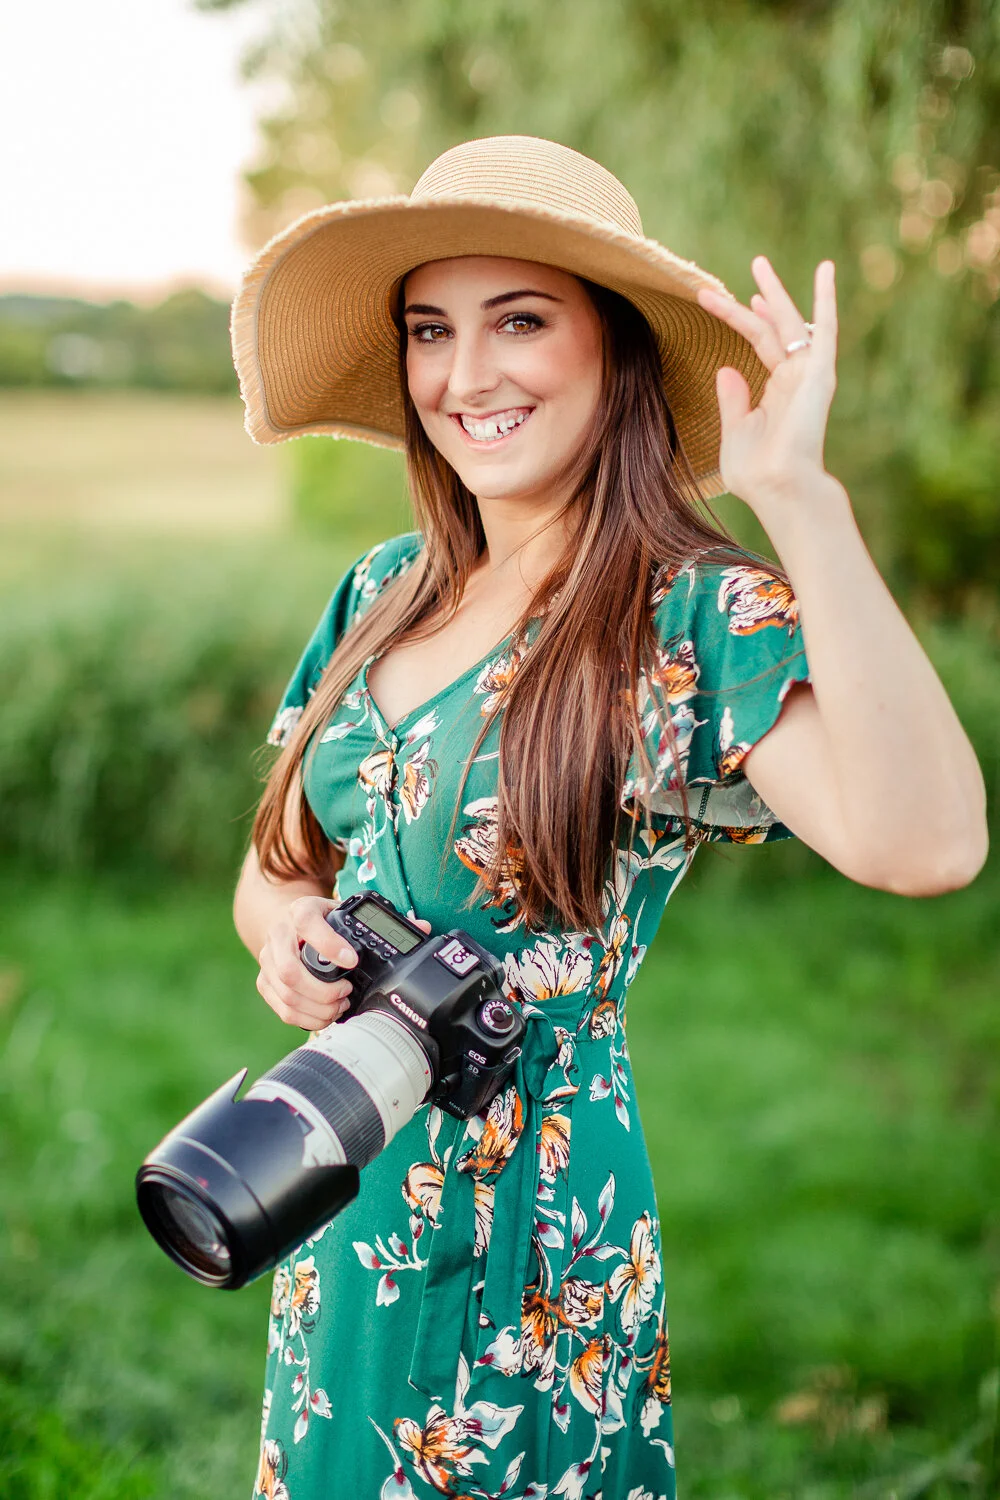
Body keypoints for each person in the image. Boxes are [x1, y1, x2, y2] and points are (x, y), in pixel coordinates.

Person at [229, 136, 987, 1500]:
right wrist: (289, 935)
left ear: (616, 349)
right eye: (431, 332)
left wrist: (802, 504)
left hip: (537, 1224)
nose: (468, 377)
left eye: (520, 320)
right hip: (337, 1168)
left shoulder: (684, 611)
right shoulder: (381, 590)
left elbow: (924, 843)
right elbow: (276, 864)